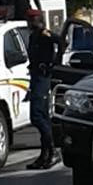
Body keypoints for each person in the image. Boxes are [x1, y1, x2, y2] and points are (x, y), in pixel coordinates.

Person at [25, 9, 62, 169]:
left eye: (33, 20)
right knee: (42, 116)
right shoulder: (33, 36)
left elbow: (61, 42)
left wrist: (54, 63)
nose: (30, 23)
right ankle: (44, 154)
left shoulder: (45, 34)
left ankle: (52, 151)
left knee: (37, 116)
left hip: (43, 77)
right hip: (35, 78)